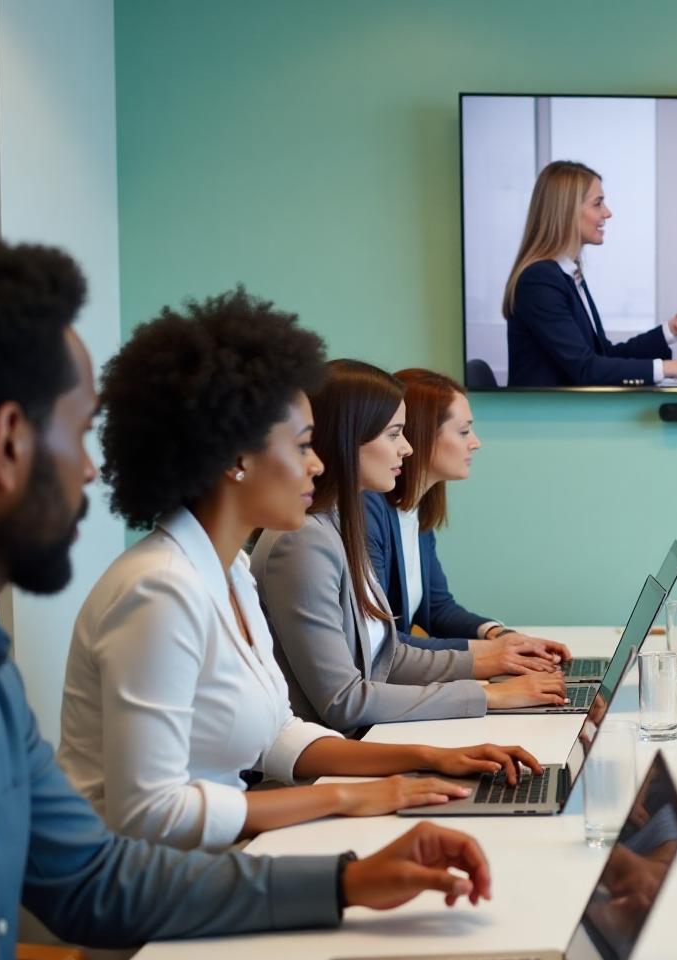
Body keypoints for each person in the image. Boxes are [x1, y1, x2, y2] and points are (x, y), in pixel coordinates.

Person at [0, 231, 518, 960]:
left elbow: (91, 876)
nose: (90, 471)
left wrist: (348, 881)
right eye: (79, 432)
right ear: (9, 442)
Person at [59, 290, 544, 851]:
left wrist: (426, 759)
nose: (318, 463)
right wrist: (341, 796)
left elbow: (278, 735)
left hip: (222, 856)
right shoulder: (158, 591)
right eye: (304, 445)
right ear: (236, 457)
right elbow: (151, 814)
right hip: (155, 887)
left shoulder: (231, 571)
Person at [253, 360, 566, 731]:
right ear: (348, 438)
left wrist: (496, 659)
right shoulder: (303, 540)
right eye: (394, 434)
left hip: (353, 739)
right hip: (330, 752)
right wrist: (489, 695)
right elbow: (344, 701)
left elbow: (386, 656)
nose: (406, 448)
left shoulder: (339, 523)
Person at [363, 367, 570, 669]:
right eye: (463, 431)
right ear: (420, 435)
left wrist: (499, 635)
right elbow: (382, 642)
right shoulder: (370, 510)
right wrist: (489, 655)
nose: (475, 442)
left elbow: (437, 609)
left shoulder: (415, 510)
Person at [503, 160, 677, 387]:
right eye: (598, 203)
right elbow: (586, 368)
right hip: (548, 419)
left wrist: (673, 327)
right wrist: (673, 368)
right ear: (567, 211)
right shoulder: (539, 281)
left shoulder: (567, 276)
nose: (607, 213)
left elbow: (604, 355)